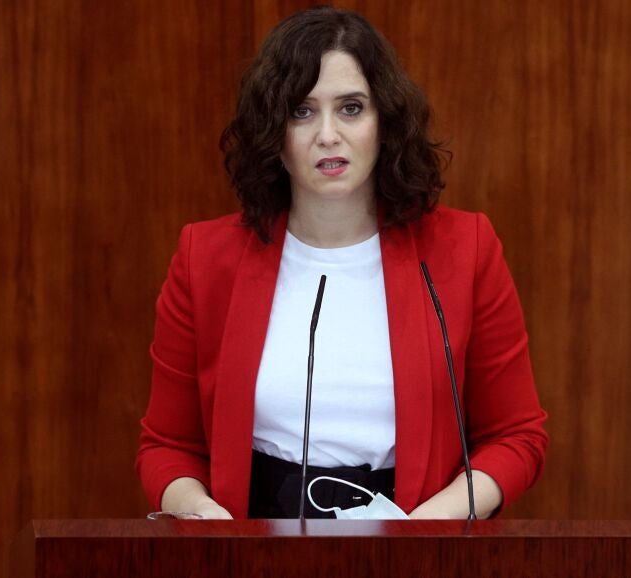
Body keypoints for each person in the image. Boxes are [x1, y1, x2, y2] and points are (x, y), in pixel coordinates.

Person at [136, 6, 547, 520]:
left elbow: (516, 436)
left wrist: (428, 530)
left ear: (384, 123)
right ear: (273, 133)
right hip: (254, 538)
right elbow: (167, 446)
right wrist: (204, 517)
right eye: (301, 112)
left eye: (351, 108)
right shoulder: (205, 258)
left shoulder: (465, 249)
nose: (328, 134)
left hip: (415, 532)